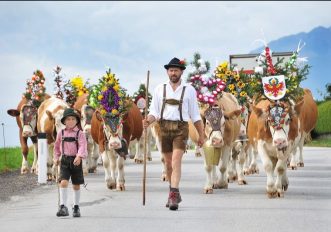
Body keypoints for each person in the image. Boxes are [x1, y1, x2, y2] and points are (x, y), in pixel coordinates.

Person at [143, 57, 205, 211]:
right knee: (168, 163)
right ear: (167, 72)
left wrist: (201, 135)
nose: (173, 73)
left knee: (176, 160)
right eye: (171, 70)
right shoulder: (159, 89)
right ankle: (173, 191)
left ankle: (173, 194)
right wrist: (148, 120)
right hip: (163, 127)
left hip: (181, 128)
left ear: (181, 72)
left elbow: (195, 116)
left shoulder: (189, 90)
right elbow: (154, 112)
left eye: (176, 70)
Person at [53, 108, 87, 217]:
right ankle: (63, 206)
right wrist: (56, 157)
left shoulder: (80, 133)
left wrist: (79, 156)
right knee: (63, 182)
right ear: (64, 121)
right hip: (64, 161)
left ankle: (76, 207)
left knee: (76, 185)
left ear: (77, 121)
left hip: (76, 161)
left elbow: (82, 146)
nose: (71, 121)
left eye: (73, 119)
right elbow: (57, 147)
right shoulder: (60, 133)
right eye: (68, 119)